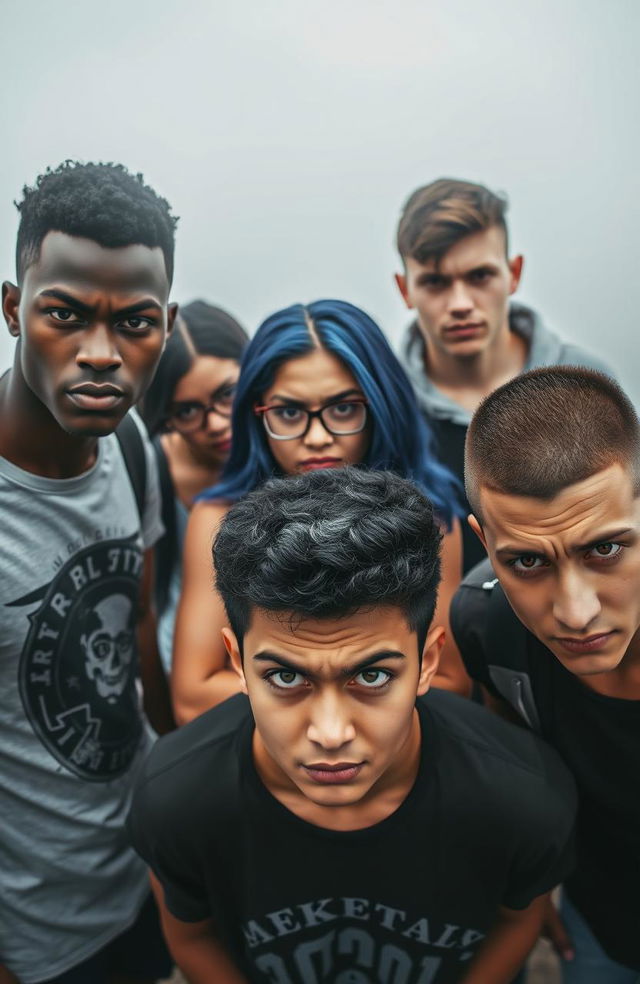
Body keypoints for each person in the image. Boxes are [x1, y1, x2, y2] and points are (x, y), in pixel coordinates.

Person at [128, 467, 576, 983]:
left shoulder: (523, 799)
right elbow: (191, 935)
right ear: (238, 661)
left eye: (371, 675)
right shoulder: (176, 801)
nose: (331, 732)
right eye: (285, 676)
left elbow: (515, 921)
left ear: (428, 660)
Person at [0, 161, 177, 983]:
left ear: (167, 327)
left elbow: (138, 619)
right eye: (64, 315)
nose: (101, 355)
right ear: (12, 308)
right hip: (35, 941)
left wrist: (178, 802)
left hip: (144, 878)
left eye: (134, 323)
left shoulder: (132, 449)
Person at [172, 299, 468, 723]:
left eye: (343, 409)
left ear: (381, 407)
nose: (316, 437)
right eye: (289, 413)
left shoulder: (432, 518)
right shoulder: (217, 518)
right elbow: (191, 697)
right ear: (258, 415)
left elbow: (452, 682)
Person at [452, 366, 640, 982]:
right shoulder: (487, 625)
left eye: (605, 549)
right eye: (527, 561)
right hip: (600, 919)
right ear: (484, 541)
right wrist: (531, 894)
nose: (576, 611)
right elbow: (515, 761)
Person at [394, 177, 614, 574]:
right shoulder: (385, 403)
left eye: (479, 276)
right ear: (404, 289)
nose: (460, 304)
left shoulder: (585, 383)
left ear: (513, 274)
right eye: (435, 282)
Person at [140, 299, 248, 674]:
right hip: (183, 666)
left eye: (226, 395)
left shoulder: (290, 452)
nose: (216, 423)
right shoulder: (149, 468)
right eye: (187, 411)